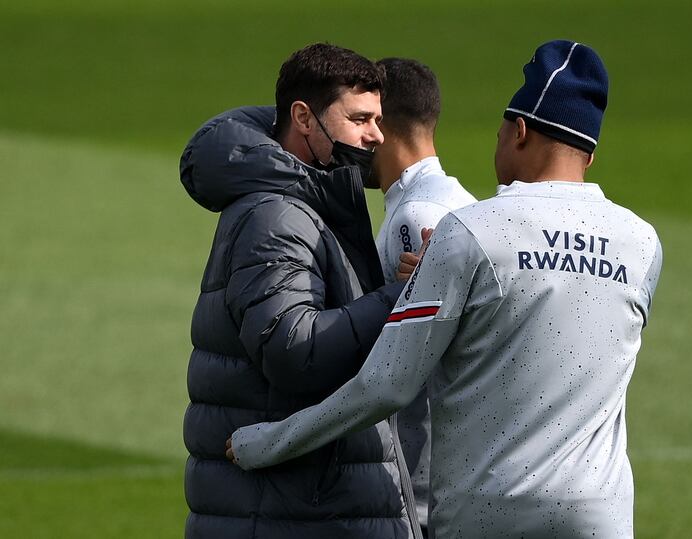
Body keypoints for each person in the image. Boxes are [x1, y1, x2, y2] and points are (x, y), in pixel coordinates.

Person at [227, 40, 663, 539]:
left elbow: (386, 385)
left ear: (517, 131)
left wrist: (270, 442)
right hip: (601, 514)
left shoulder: (471, 230)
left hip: (486, 510)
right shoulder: (644, 243)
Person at [179, 43, 422, 538]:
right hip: (297, 512)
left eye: (377, 119)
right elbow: (294, 350)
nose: (377, 136)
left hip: (301, 505)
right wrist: (400, 295)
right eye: (359, 119)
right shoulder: (277, 216)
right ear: (304, 118)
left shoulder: (311, 202)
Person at [371, 57, 477, 535]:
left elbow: (416, 360)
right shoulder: (463, 201)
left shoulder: (418, 216)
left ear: (380, 122)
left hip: (423, 494)